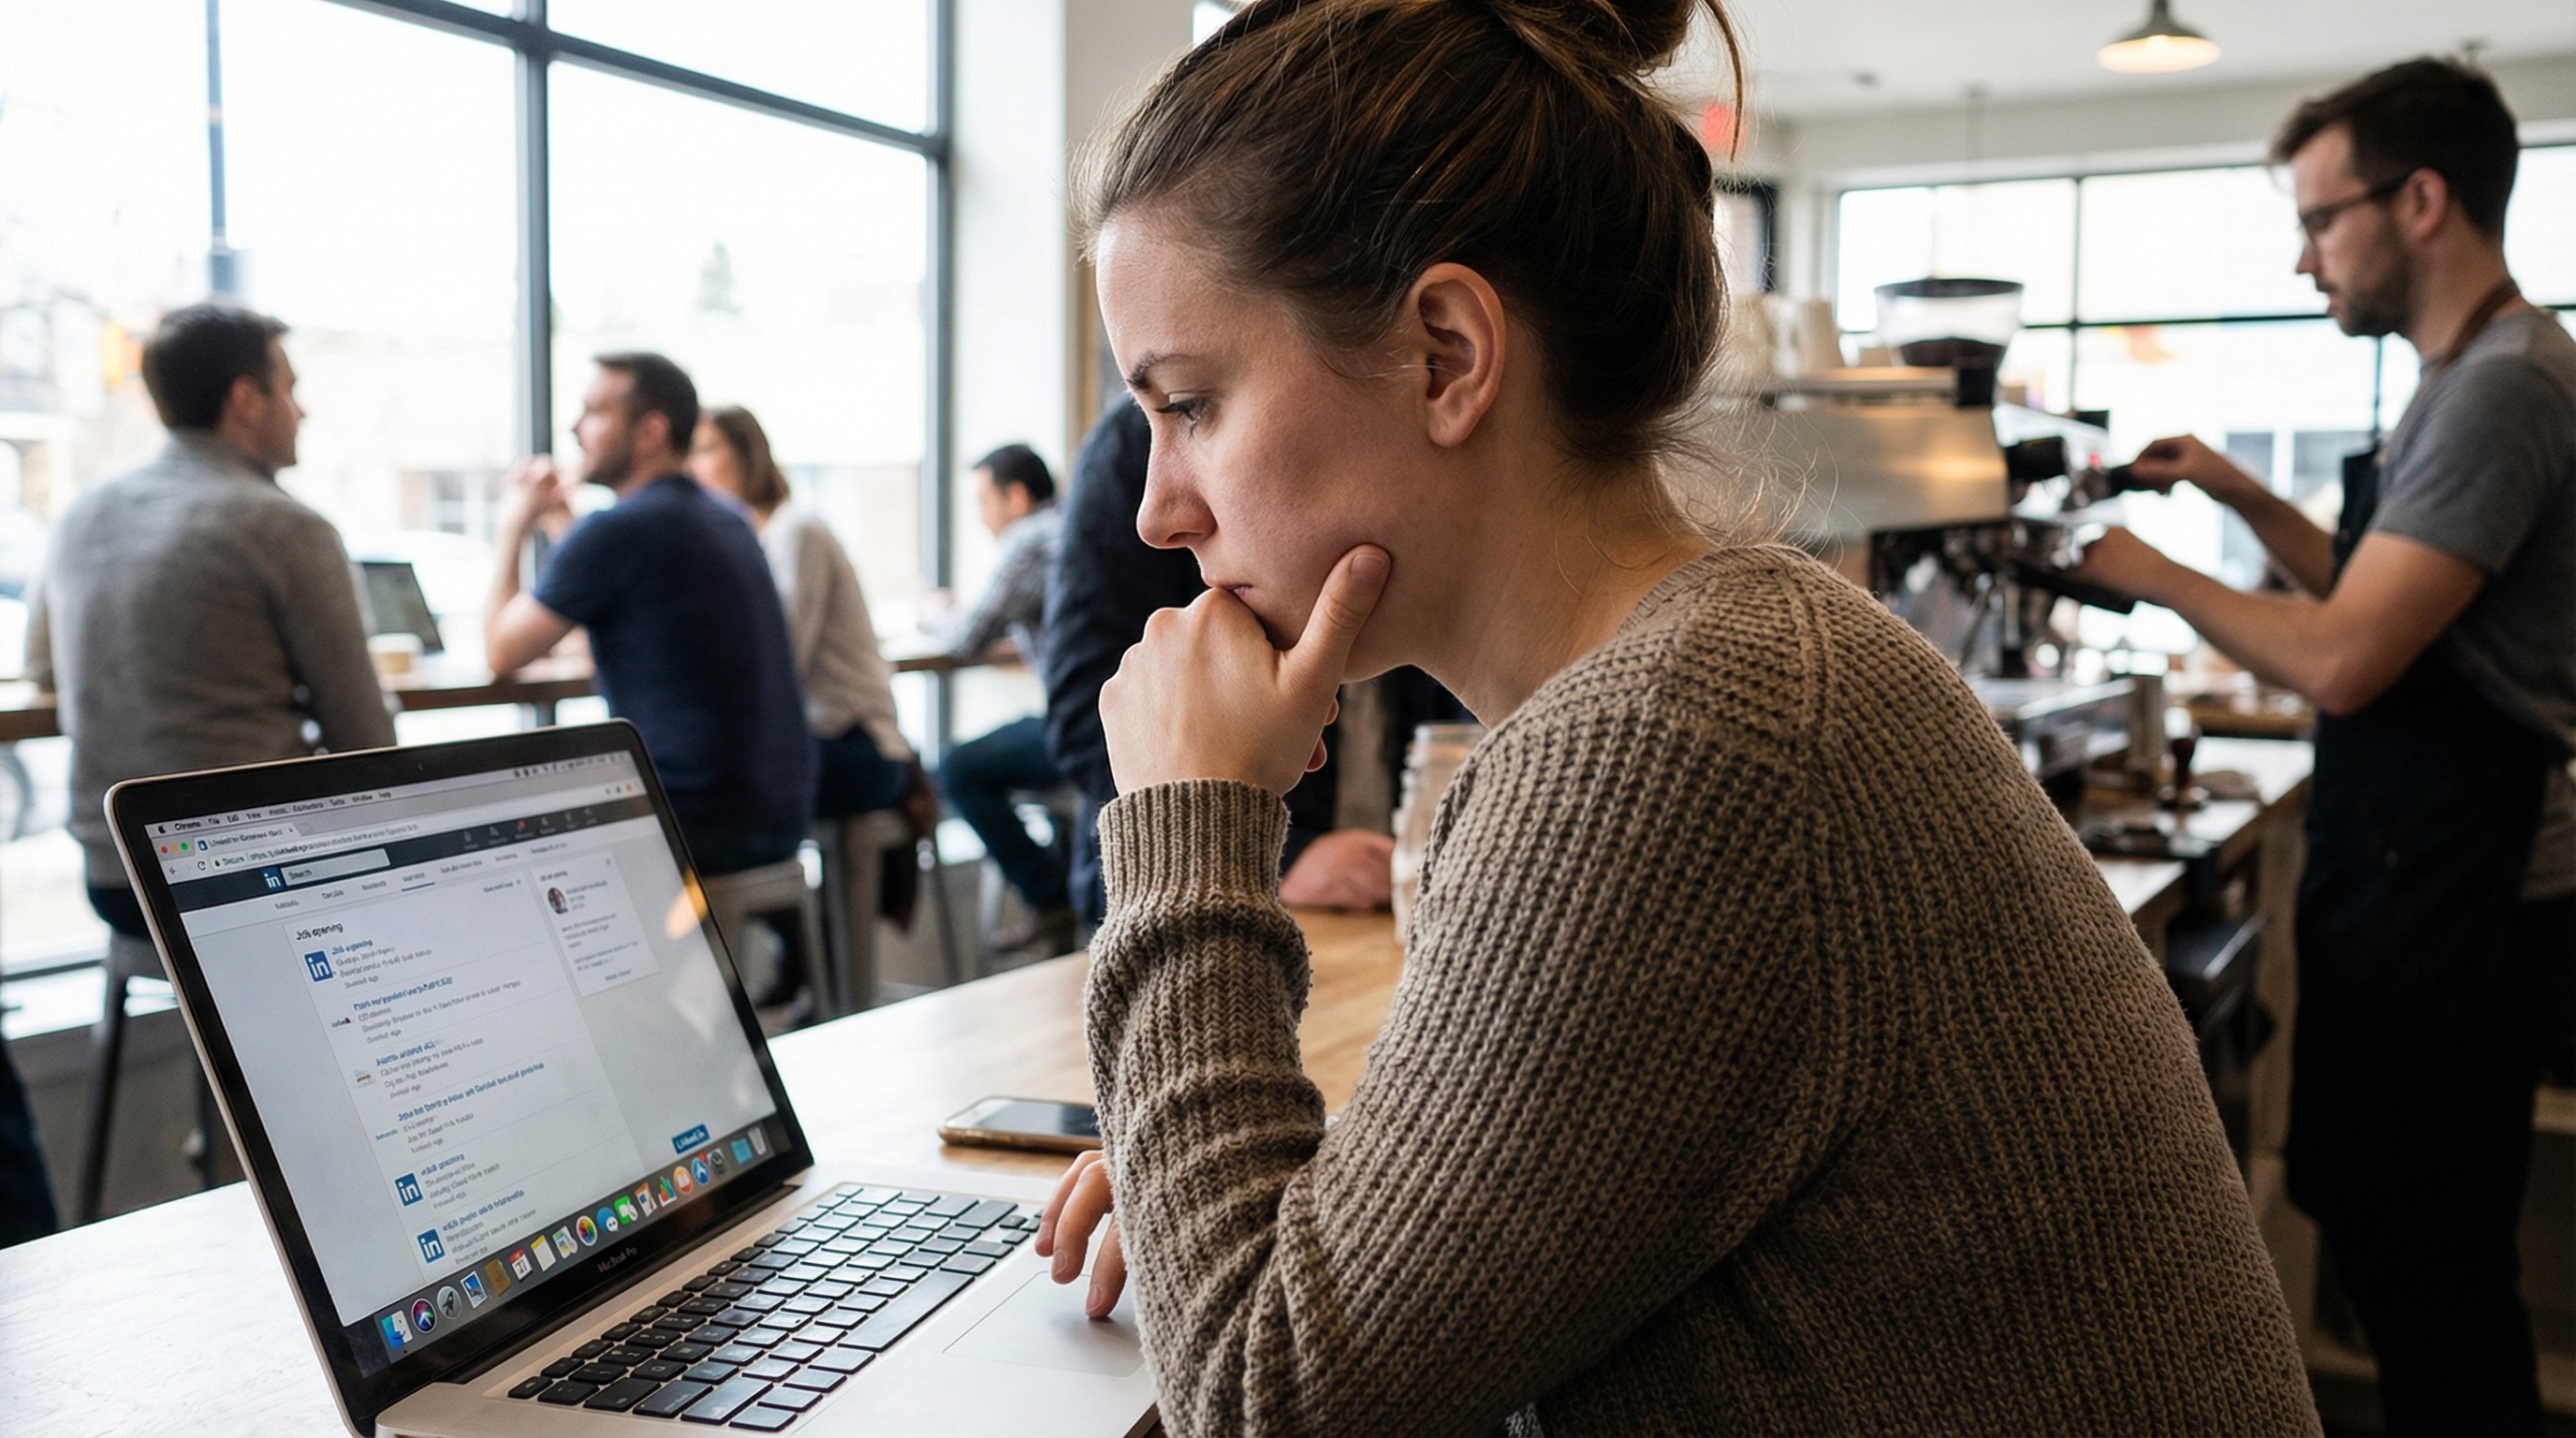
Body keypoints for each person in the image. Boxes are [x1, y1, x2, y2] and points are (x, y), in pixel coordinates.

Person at [1036, 0, 2318, 1432]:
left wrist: (1185, 823)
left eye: (1193, 403)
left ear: (1448, 355)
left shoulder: (1683, 741)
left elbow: (1260, 1401)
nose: (1158, 508)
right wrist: (1222, 1183)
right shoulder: (1713, 670)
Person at [2072, 59, 2576, 1436]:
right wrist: (2230, 492)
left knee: (2439, 1292)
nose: (2304, 261)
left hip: (2458, 900)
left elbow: (2351, 656)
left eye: (2320, 220)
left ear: (2423, 200)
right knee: (2406, 1258)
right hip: (2415, 874)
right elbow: (2373, 589)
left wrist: (2153, 574)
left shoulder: (2506, 389)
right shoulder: (2466, 373)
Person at [24, 302, 397, 1241]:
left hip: (117, 886)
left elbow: (45, 673)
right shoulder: (283, 525)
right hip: (243, 897)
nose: (301, 411)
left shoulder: (77, 517)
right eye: (290, 387)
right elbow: (368, 744)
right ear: (245, 399)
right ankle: (390, 1213)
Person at [1041, 398, 1470, 926]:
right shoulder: (1130, 458)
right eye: (1185, 404)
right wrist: (1283, 853)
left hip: (1397, 898)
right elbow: (1089, 708)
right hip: (1191, 900)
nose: (1155, 517)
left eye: (1194, 408)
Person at [485, 354, 812, 877]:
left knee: (503, 837)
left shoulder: (618, 529)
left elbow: (501, 652)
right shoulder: (725, 516)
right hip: (778, 811)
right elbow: (631, 619)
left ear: (651, 431)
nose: (575, 428)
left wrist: (510, 528)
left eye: (595, 412)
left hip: (691, 819)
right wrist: (563, 528)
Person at [689, 404, 916, 821]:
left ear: (746, 454)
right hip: (821, 738)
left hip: (860, 744)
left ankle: (775, 888)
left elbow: (782, 656)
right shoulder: (749, 538)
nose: (691, 467)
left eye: (704, 449)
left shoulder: (794, 529)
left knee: (704, 791)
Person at [933, 444, 1071, 950]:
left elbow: (965, 635)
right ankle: (1062, 886)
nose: (980, 517)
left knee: (956, 768)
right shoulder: (1071, 527)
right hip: (1110, 719)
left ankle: (1049, 894)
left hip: (1078, 727)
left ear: (1015, 497)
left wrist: (935, 611)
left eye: (983, 502)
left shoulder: (1029, 538)